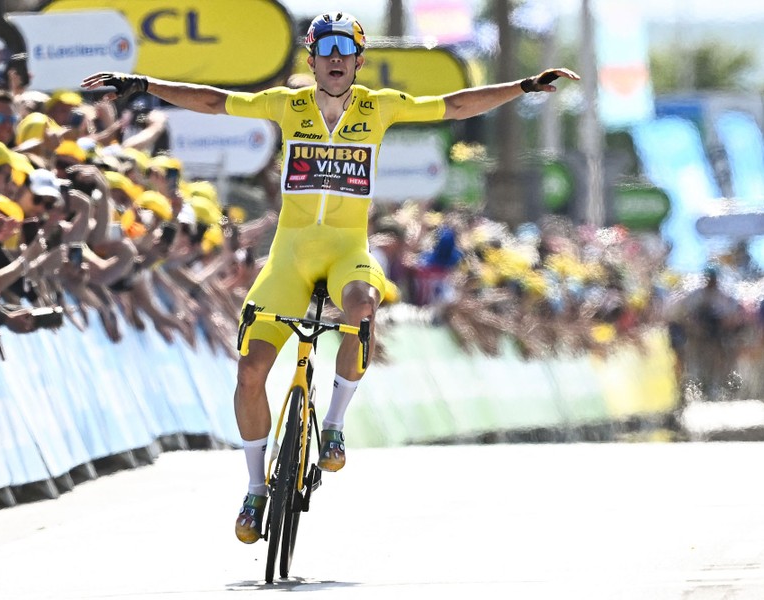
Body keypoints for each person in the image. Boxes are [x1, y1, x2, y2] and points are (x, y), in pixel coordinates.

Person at [83, 11, 579, 544]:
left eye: (346, 50)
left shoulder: (380, 107)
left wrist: (524, 85)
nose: (337, 58)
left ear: (359, 60)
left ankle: (336, 426)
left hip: (347, 251)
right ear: (313, 59)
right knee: (250, 371)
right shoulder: (286, 104)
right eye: (327, 49)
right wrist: (143, 83)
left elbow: (456, 104)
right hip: (289, 257)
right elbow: (211, 99)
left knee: (362, 302)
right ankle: (254, 488)